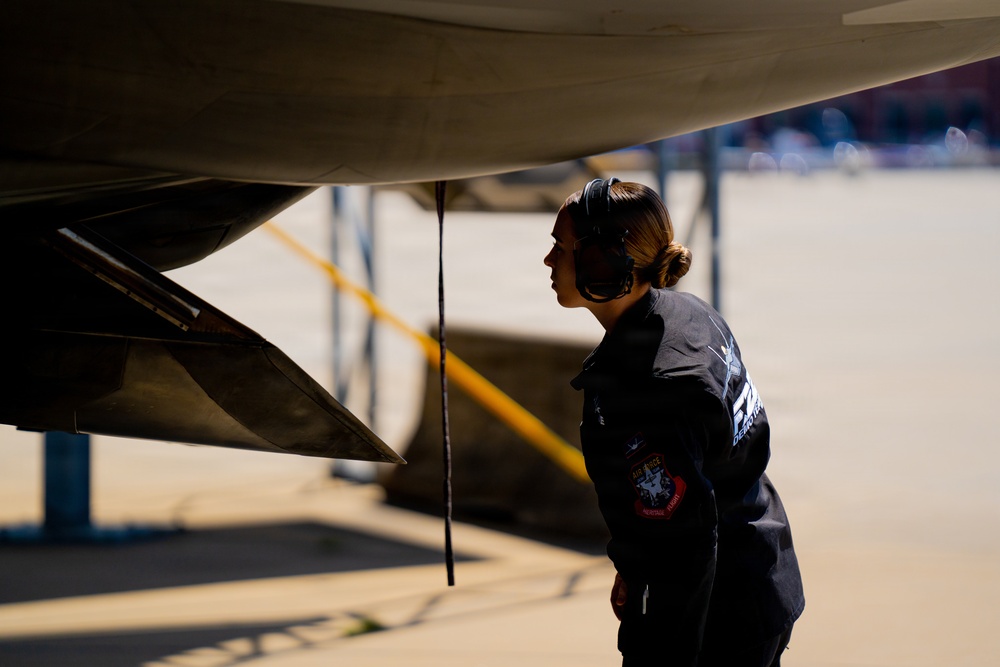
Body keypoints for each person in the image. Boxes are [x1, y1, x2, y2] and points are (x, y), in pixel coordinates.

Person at [543, 178, 804, 666]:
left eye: (561, 246)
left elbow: (686, 548)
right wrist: (632, 567)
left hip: (719, 621)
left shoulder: (655, 386)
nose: (548, 260)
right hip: (763, 571)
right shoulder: (690, 314)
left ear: (602, 262)